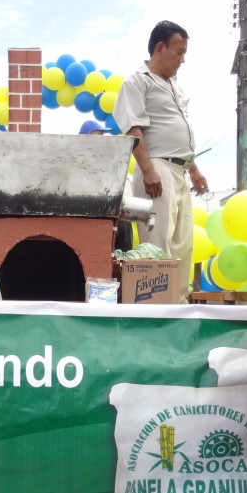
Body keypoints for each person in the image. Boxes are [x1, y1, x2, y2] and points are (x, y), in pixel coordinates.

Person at [113, 19, 209, 302]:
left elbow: (178, 131)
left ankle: (177, 305)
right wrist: (148, 170)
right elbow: (133, 129)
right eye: (178, 52)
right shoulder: (137, 81)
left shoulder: (174, 86)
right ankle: (154, 308)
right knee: (157, 244)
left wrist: (194, 170)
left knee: (182, 243)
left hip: (179, 169)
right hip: (156, 168)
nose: (182, 59)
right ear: (159, 48)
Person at [79, 119, 134, 253]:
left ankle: (123, 263)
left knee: (124, 220)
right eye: (99, 136)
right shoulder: (79, 161)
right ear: (87, 137)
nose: (102, 141)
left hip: (112, 214)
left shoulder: (109, 161)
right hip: (90, 217)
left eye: (102, 137)